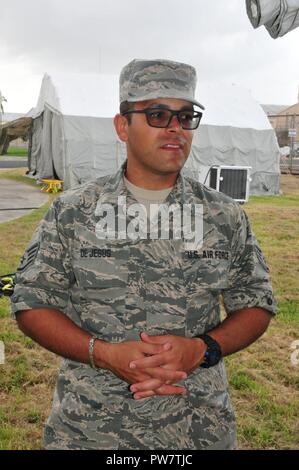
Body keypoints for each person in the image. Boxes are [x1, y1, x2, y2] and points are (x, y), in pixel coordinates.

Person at [11, 58, 277, 450]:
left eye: (186, 117)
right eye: (157, 114)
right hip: (92, 429)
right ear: (123, 126)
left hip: (196, 428)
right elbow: (31, 302)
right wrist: (103, 354)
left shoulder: (224, 216)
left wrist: (203, 349)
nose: (175, 128)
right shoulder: (73, 211)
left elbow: (257, 303)